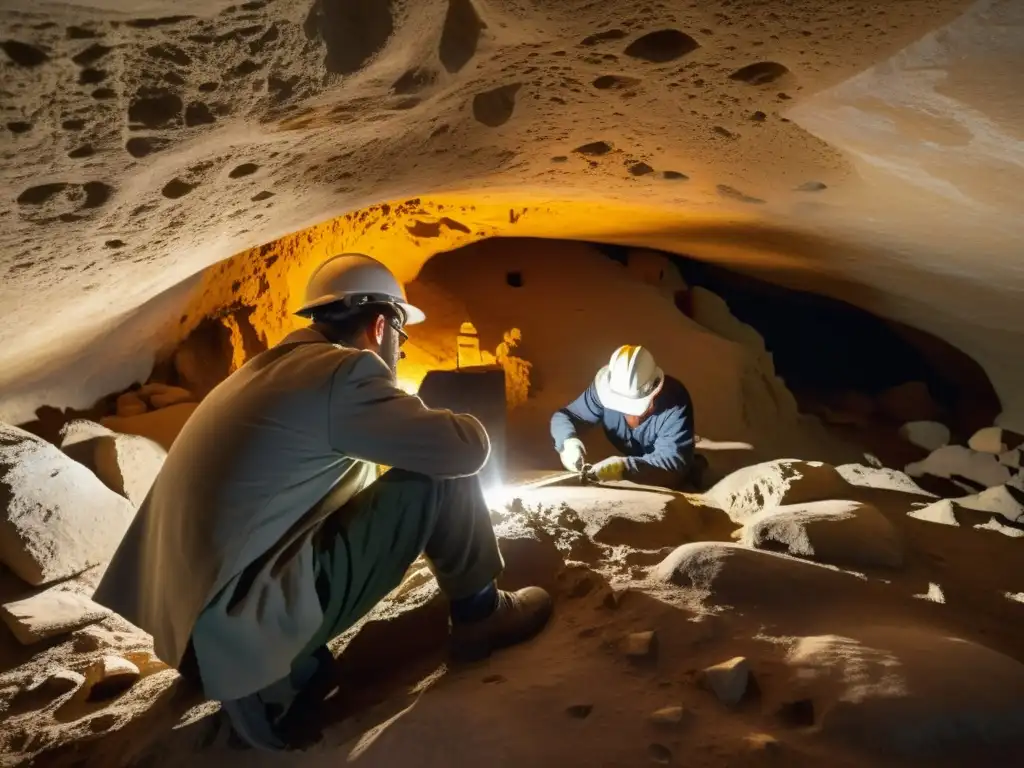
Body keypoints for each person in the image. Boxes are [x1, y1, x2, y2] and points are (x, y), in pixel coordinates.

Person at [93, 253, 553, 751]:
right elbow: (465, 449)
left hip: (187, 638)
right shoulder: (344, 373)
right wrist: (423, 415)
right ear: (381, 327)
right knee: (440, 472)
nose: (398, 353)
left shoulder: (261, 373)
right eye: (401, 339)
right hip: (239, 636)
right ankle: (482, 616)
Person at [550, 345, 703, 489]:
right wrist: (568, 441)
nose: (629, 415)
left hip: (664, 468)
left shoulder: (674, 400)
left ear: (655, 391)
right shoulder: (604, 390)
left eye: (634, 406)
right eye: (620, 405)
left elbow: (673, 465)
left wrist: (624, 468)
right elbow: (565, 417)